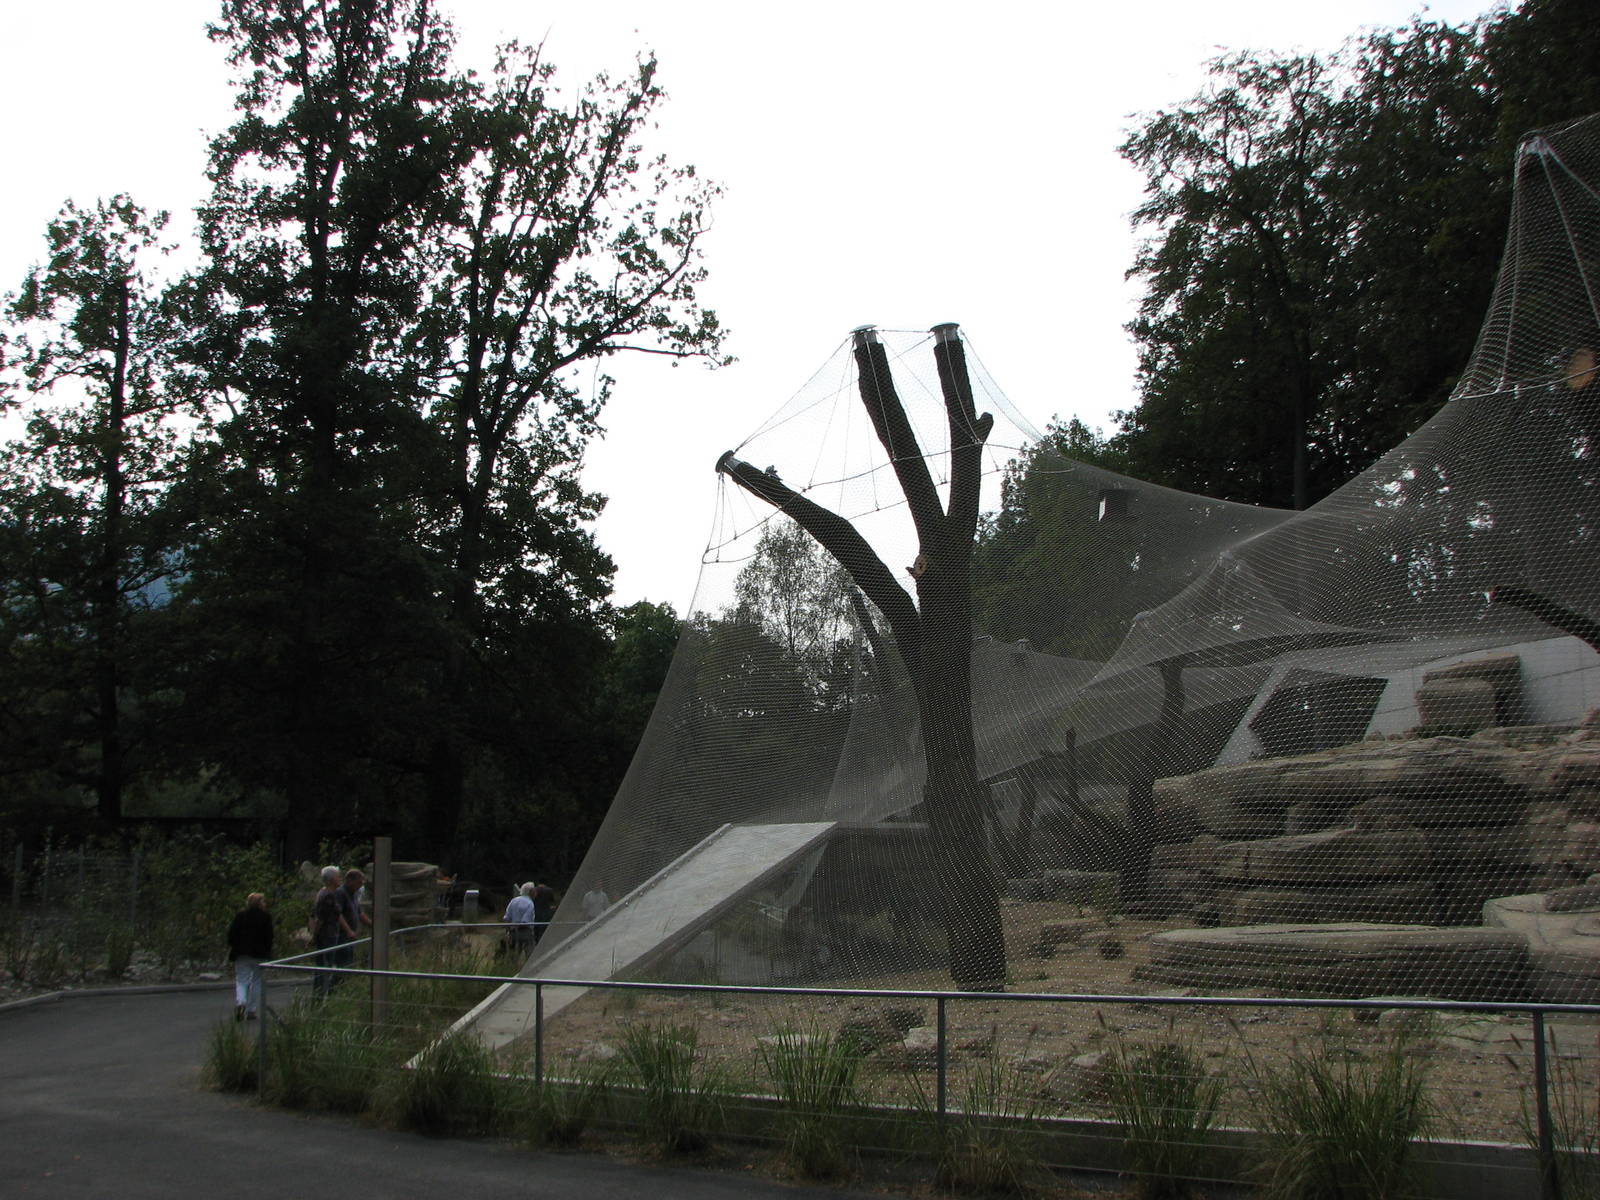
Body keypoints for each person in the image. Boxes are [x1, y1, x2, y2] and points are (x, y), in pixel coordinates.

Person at [226, 892, 273, 1020]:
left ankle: (241, 1001)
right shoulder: (266, 917)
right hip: (260, 954)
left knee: (242, 980)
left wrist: (234, 946)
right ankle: (251, 1010)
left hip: (241, 953)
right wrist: (268, 952)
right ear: (260, 903)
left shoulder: (241, 916)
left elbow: (232, 934)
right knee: (257, 981)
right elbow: (269, 937)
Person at [309, 865, 345, 997]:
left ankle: (322, 993)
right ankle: (322, 995)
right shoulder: (327, 895)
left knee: (326, 965)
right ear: (331, 879)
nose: (340, 879)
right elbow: (320, 918)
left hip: (329, 934)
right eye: (337, 876)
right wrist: (314, 935)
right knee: (325, 965)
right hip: (327, 935)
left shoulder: (327, 893)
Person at [334, 868, 367, 976]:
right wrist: (348, 931)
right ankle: (334, 988)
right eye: (358, 883)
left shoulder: (354, 894)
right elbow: (338, 914)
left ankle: (343, 985)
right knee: (343, 964)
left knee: (349, 962)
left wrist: (373, 925)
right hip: (342, 935)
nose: (360, 886)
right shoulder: (341, 893)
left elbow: (359, 912)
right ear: (350, 880)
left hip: (350, 936)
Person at [503, 882, 535, 952]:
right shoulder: (530, 903)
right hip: (525, 932)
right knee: (529, 952)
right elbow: (525, 921)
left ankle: (513, 962)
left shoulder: (513, 900)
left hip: (513, 932)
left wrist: (508, 931)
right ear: (530, 892)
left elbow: (506, 918)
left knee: (513, 953)